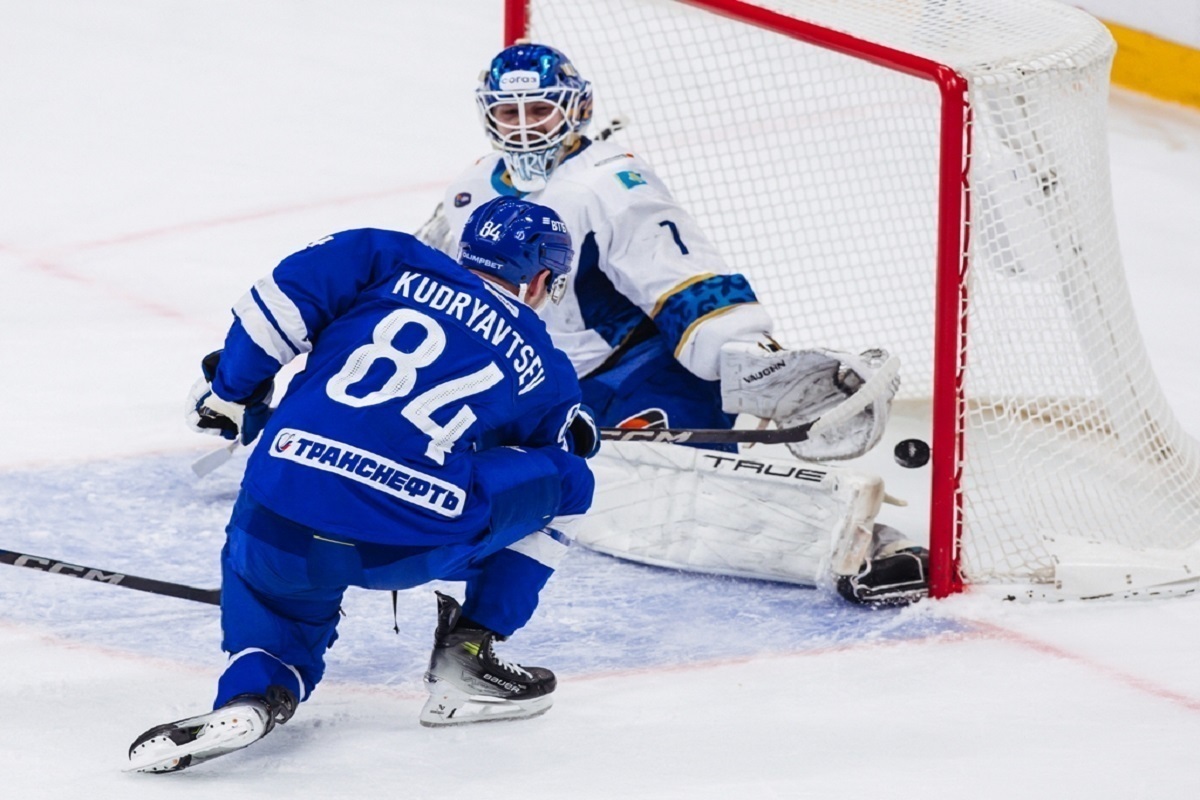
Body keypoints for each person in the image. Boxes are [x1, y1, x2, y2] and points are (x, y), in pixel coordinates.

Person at [417, 43, 928, 606]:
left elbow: (681, 276)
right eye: (508, 114)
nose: (521, 129)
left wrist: (747, 359)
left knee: (690, 498)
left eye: (538, 111)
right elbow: (435, 278)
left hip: (643, 373)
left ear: (576, 109)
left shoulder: (609, 183)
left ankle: (869, 549)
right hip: (541, 378)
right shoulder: (470, 188)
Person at [127, 197, 598, 774]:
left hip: (280, 514)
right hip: (403, 543)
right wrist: (575, 428)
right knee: (570, 486)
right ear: (543, 277)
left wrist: (233, 393)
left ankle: (254, 694)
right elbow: (550, 447)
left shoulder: (384, 255)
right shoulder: (545, 364)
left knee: (278, 611)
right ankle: (469, 651)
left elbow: (270, 313)